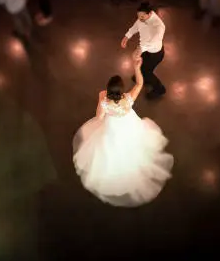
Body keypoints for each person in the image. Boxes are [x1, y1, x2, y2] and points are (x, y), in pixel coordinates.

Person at [72, 56, 174, 207]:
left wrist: (104, 111)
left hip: (111, 126)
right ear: (121, 90)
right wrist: (137, 68)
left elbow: (99, 117)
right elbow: (140, 83)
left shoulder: (103, 97)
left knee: (109, 147)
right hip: (128, 123)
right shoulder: (128, 98)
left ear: (108, 88)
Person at [120, 2, 166, 99]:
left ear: (149, 14)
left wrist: (140, 49)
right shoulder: (142, 17)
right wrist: (127, 36)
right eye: (138, 16)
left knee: (146, 72)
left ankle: (159, 89)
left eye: (141, 16)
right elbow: (136, 26)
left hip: (155, 54)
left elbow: (154, 41)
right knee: (141, 67)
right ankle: (143, 76)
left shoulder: (159, 26)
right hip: (145, 50)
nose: (139, 18)